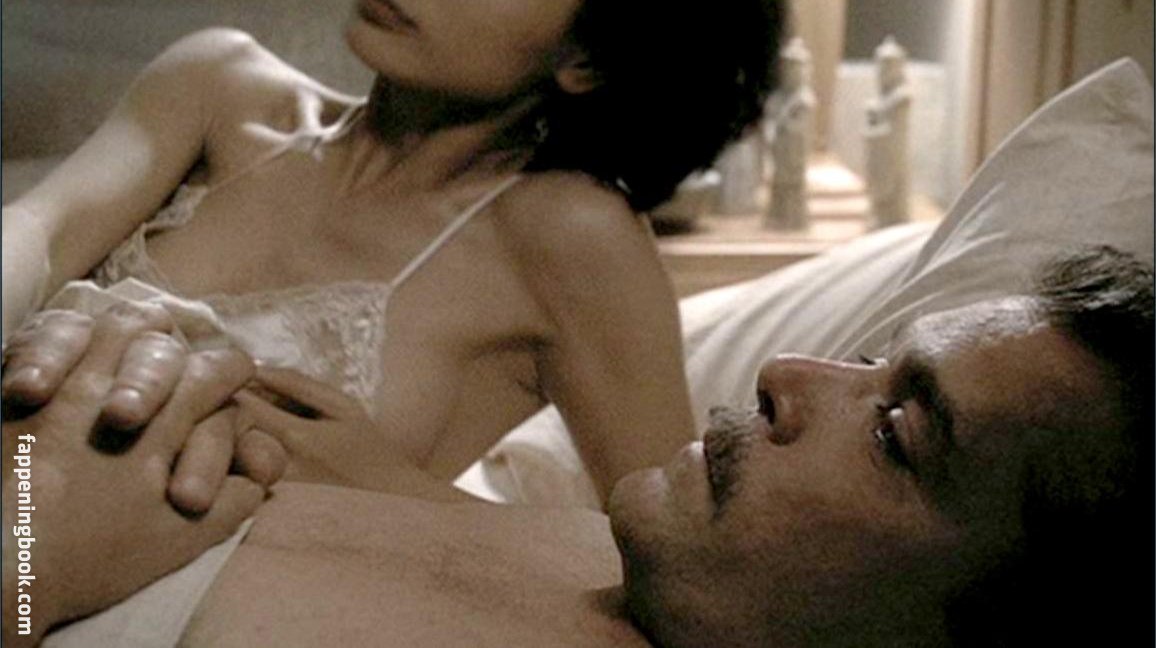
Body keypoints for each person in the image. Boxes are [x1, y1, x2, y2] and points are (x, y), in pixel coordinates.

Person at [4, 246, 1150, 646]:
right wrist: (142, 354)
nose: (790, 375)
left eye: (895, 432)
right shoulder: (630, 562)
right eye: (869, 360)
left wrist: (28, 552)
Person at [0, 0, 785, 506]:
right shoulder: (218, 87)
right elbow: (33, 234)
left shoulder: (571, 235)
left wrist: (398, 494)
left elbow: (682, 558)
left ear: (587, 60)